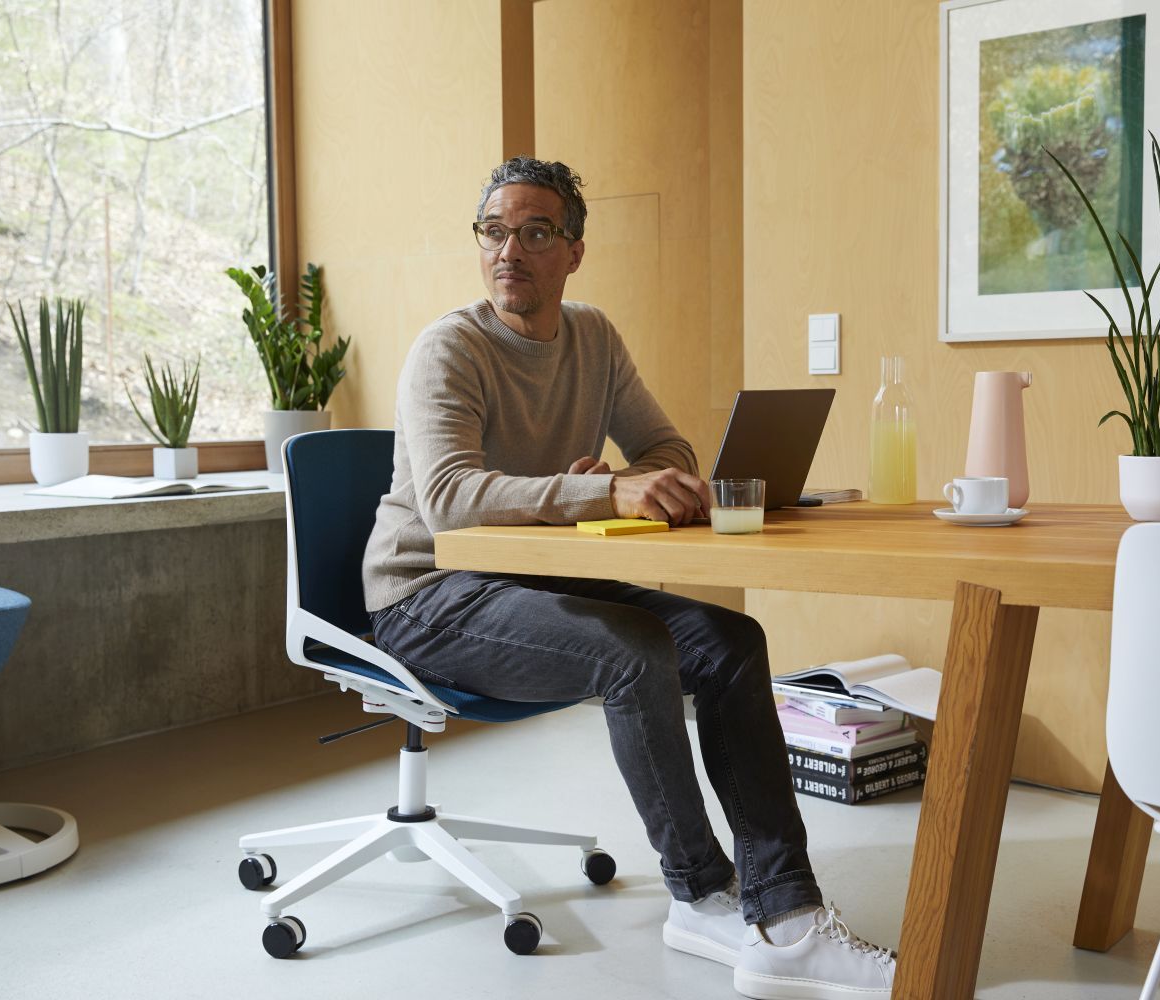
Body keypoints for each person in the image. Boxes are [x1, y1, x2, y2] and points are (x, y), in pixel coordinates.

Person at [363, 156, 895, 999]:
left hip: (535, 577)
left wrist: (627, 478)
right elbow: (450, 501)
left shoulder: (594, 337)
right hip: (427, 594)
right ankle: (701, 893)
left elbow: (668, 448)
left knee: (728, 640)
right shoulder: (450, 348)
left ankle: (786, 911)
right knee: (634, 651)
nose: (510, 251)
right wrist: (597, 491)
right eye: (494, 231)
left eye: (536, 232)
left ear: (574, 251)